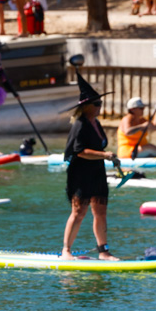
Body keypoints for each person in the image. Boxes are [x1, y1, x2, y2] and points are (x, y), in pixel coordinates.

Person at [62, 74, 118, 261]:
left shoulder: (97, 124)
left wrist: (107, 157)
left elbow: (98, 146)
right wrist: (105, 155)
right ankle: (66, 251)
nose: (99, 107)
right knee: (79, 212)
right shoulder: (80, 125)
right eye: (96, 104)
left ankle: (104, 251)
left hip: (97, 172)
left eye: (100, 103)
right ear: (87, 106)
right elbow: (79, 151)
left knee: (100, 211)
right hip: (81, 173)